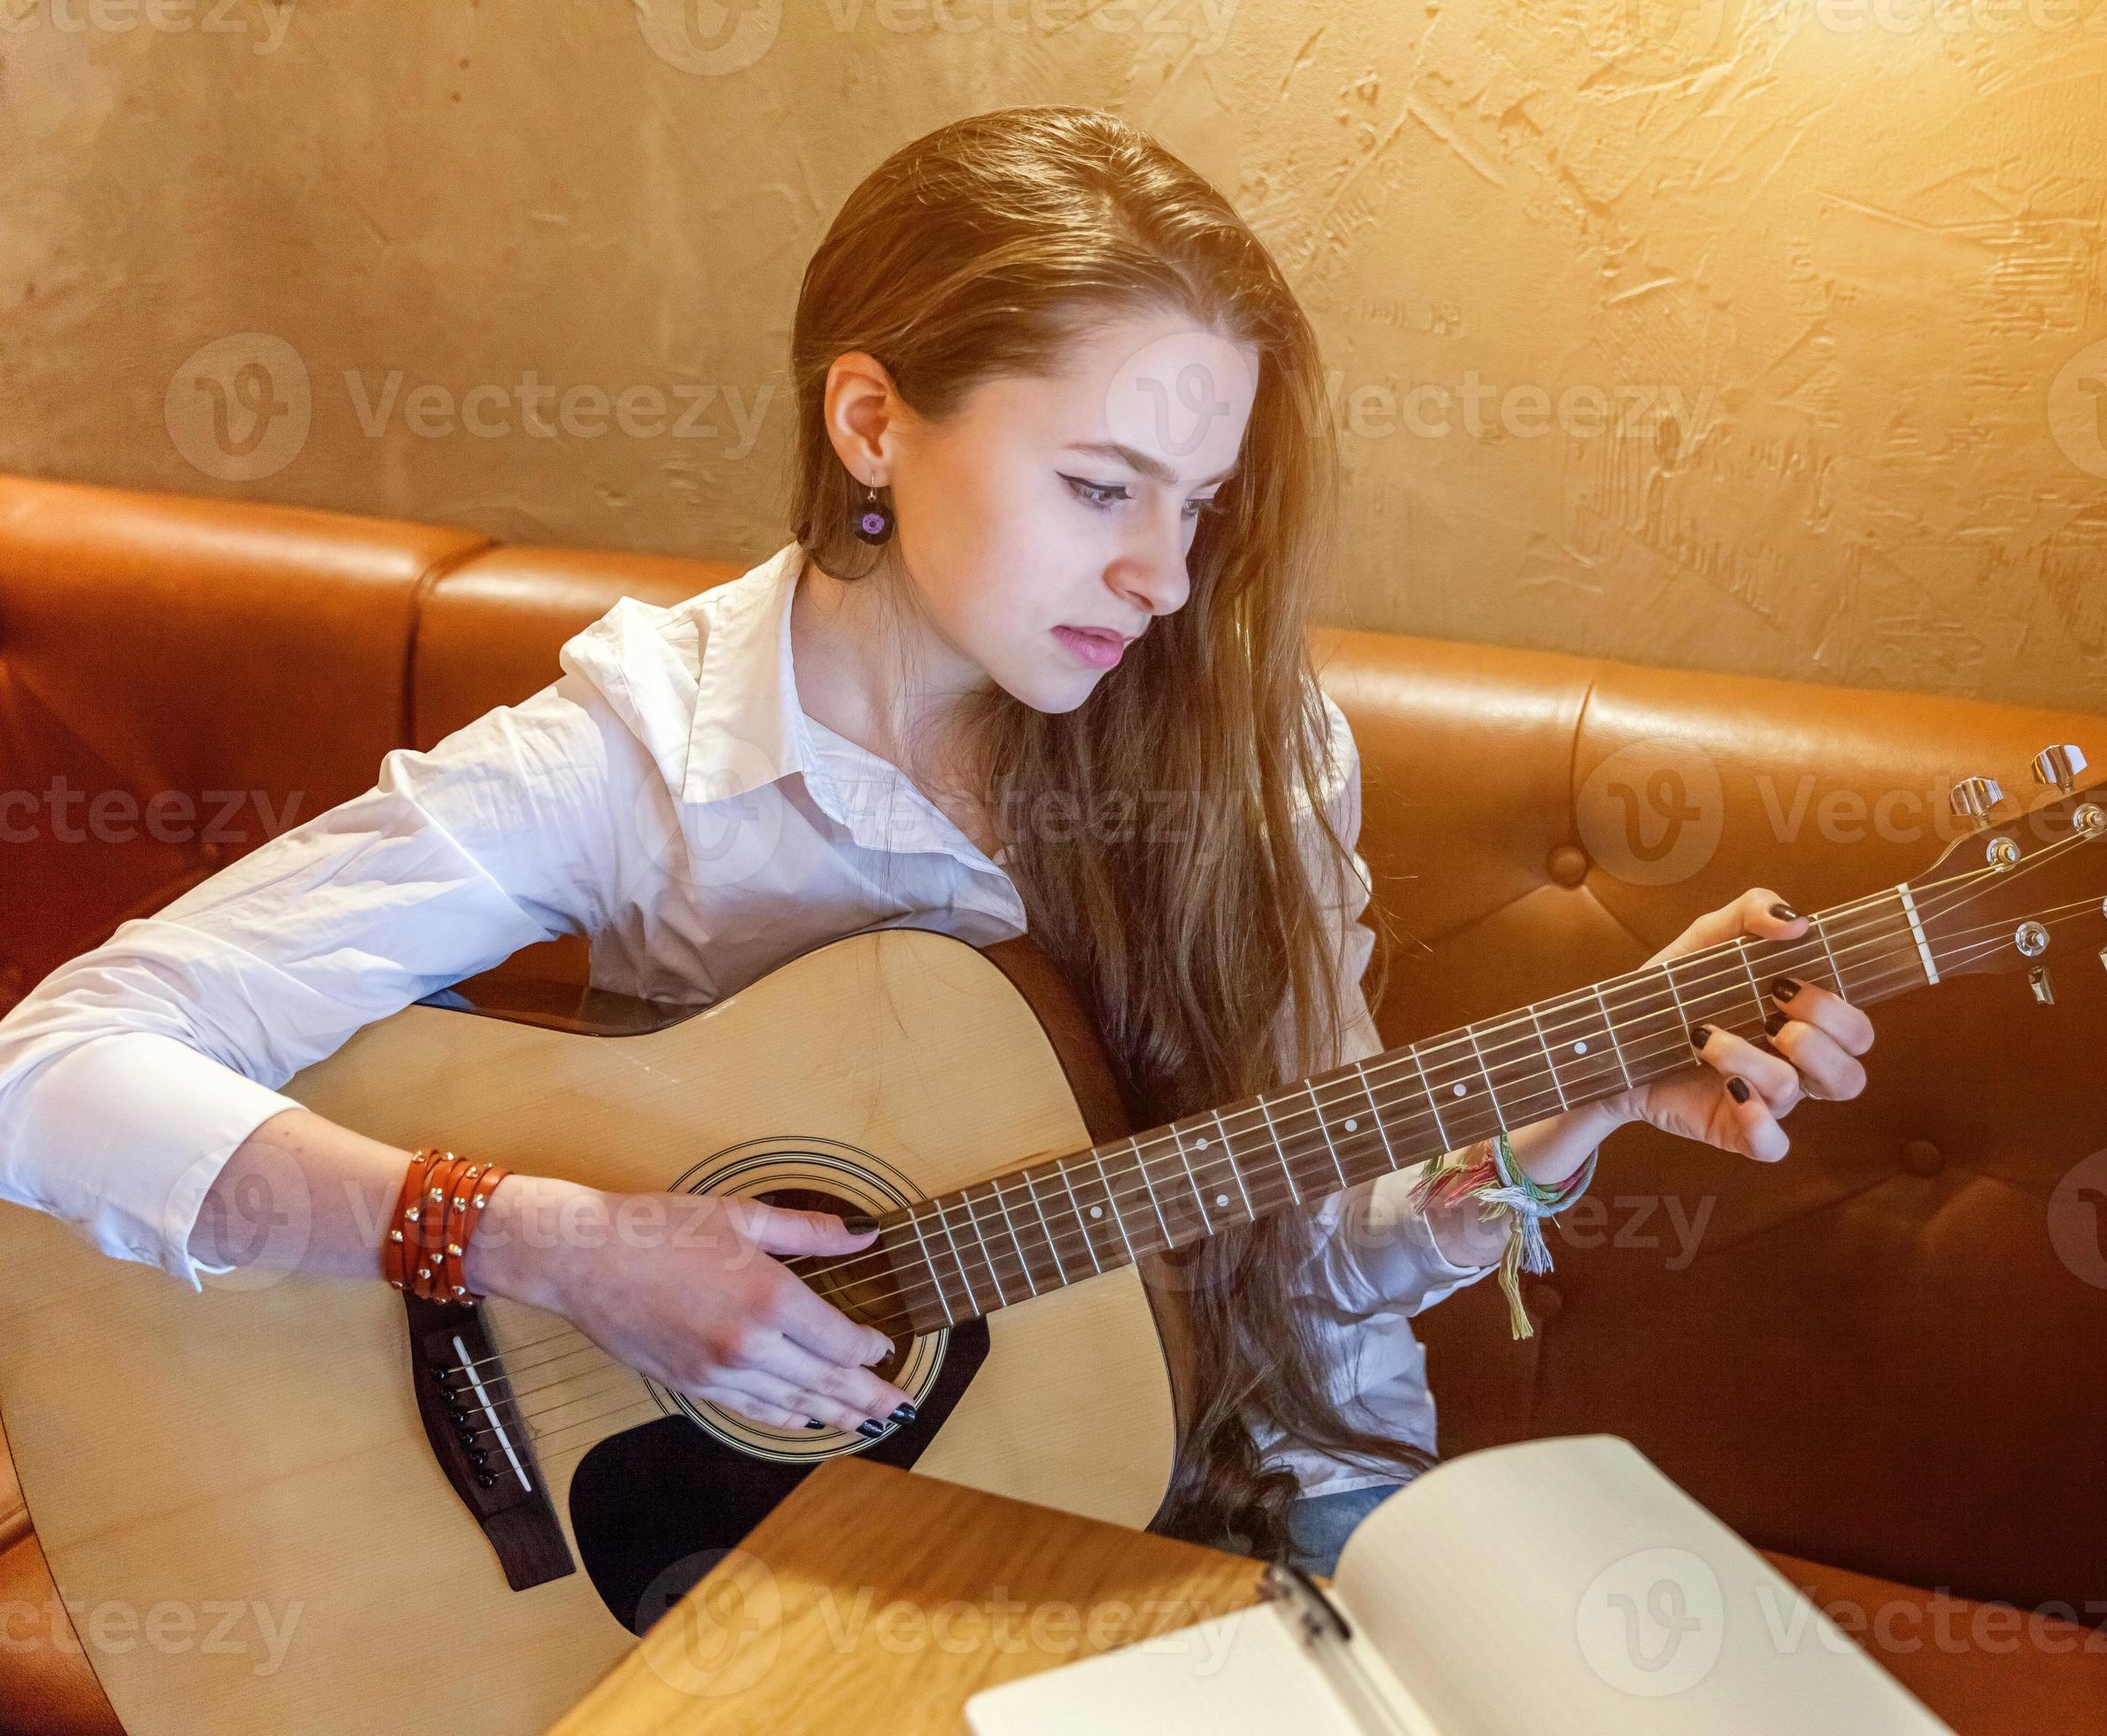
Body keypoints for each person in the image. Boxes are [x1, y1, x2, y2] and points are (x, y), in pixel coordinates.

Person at [0, 106, 1871, 1576]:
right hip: (819, 1532)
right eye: (1098, 486)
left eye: (1200, 502)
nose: (1164, 573)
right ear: (874, 420)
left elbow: (1300, 1251)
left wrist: (1568, 1117)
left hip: (1257, 1489)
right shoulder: (650, 752)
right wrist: (559, 1244)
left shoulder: (1247, 733)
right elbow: (49, 1071)